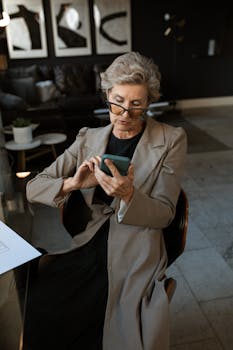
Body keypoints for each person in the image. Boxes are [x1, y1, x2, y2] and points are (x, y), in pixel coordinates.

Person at [24, 51, 187, 350]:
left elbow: (165, 213)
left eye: (136, 105)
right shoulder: (88, 137)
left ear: (149, 102)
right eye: (118, 102)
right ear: (107, 95)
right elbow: (33, 188)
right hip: (91, 241)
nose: (125, 113)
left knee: (102, 316)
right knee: (39, 303)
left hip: (138, 246)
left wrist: (129, 196)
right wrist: (72, 183)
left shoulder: (172, 139)